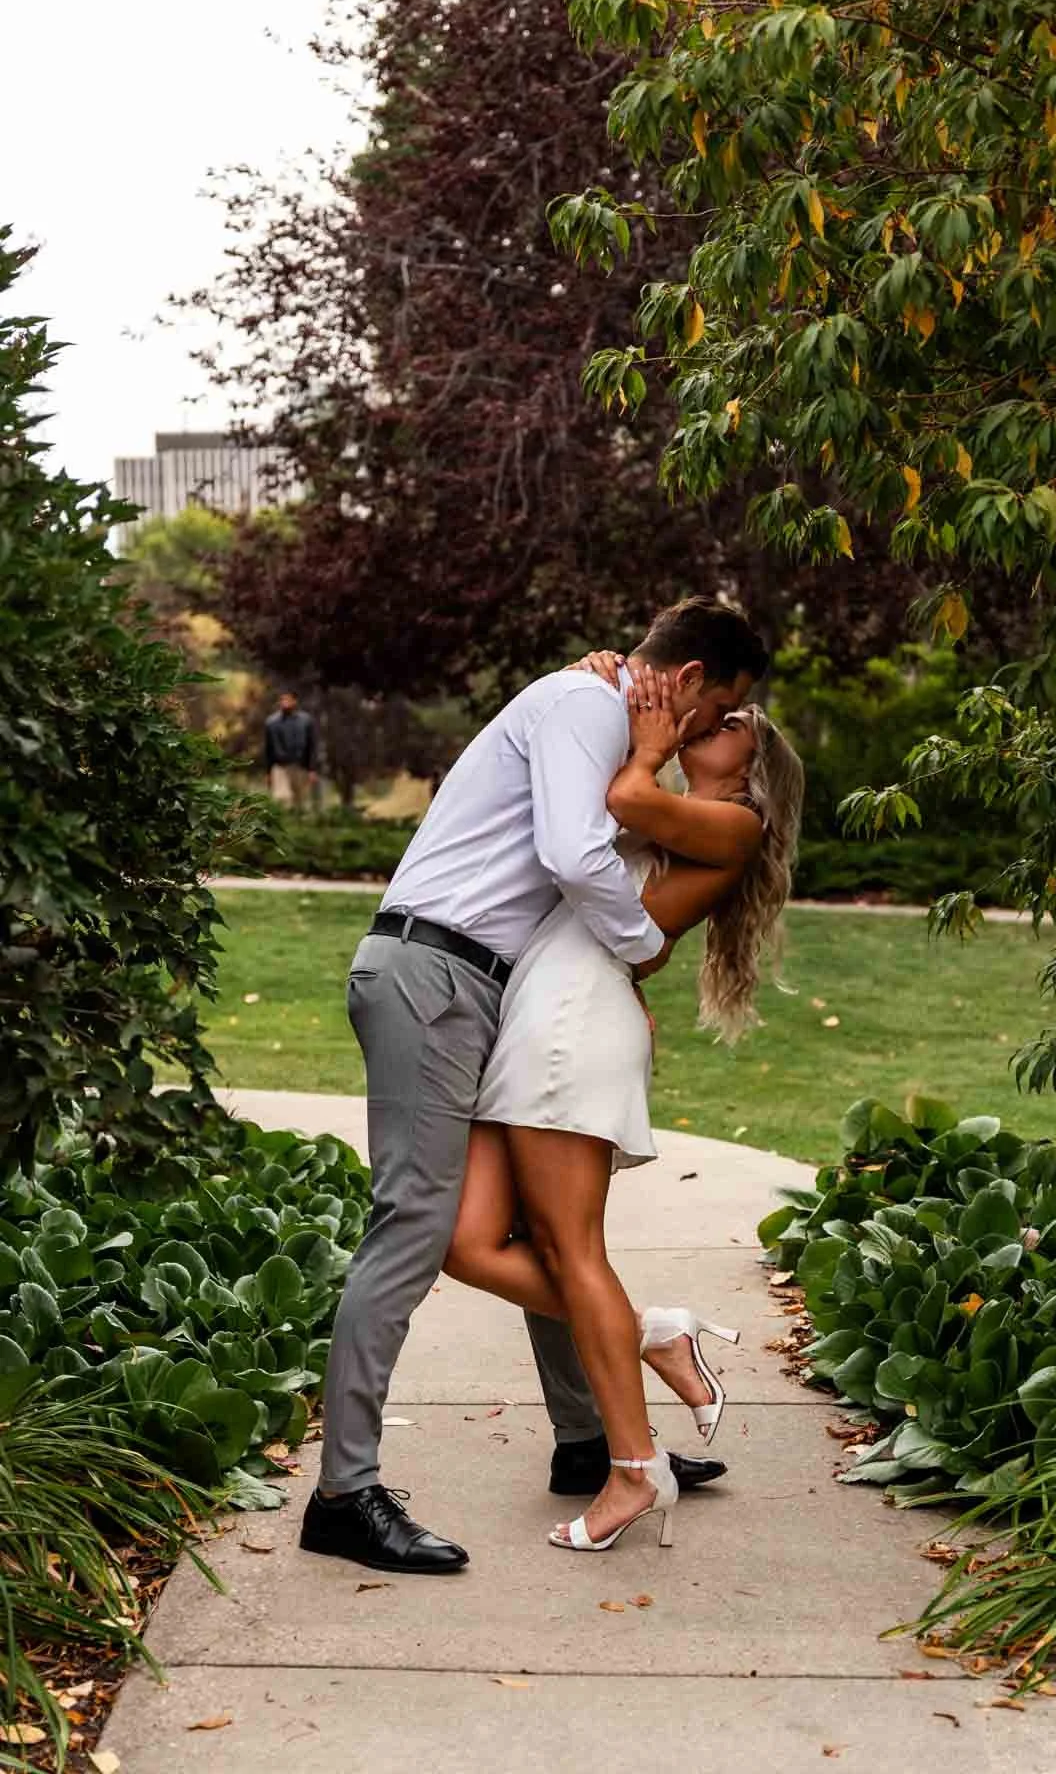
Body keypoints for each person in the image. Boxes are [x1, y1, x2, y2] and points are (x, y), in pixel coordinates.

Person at [300, 599, 769, 1576]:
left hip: (484, 988)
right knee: (414, 1230)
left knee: (524, 1233)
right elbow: (571, 853)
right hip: (435, 976)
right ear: (685, 682)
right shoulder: (587, 706)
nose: (712, 732)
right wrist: (637, 948)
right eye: (718, 708)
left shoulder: (604, 713)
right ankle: (344, 1493)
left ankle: (590, 1439)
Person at [443, 662, 804, 1552]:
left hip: (572, 1028)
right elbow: (579, 822)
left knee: (572, 1252)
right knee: (466, 1241)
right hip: (540, 1017)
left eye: (730, 723)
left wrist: (644, 744)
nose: (714, 720)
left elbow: (620, 800)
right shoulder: (679, 809)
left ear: (750, 766)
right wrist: (593, 679)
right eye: (720, 707)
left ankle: (633, 1470)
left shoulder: (733, 821)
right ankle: (654, 1334)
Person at [264, 690, 318, 809]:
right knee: (282, 799)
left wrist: (312, 769)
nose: (284, 703)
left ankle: (298, 825)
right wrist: (268, 772)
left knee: (301, 801)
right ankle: (283, 823)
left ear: (295, 701)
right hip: (280, 767)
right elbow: (268, 748)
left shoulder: (306, 721)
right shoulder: (271, 723)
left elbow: (312, 746)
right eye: (282, 700)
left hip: (300, 765)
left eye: (288, 699)